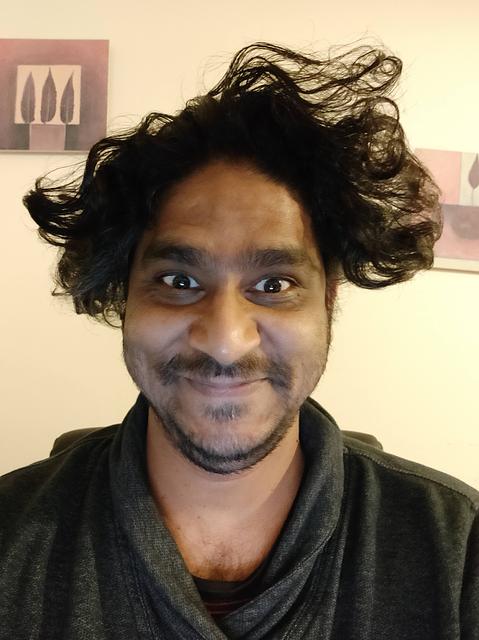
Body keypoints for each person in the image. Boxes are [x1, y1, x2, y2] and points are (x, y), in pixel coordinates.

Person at [0, 42, 477, 639]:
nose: (226, 341)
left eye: (273, 284)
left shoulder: (457, 553)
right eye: (179, 281)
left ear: (328, 300)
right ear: (124, 297)